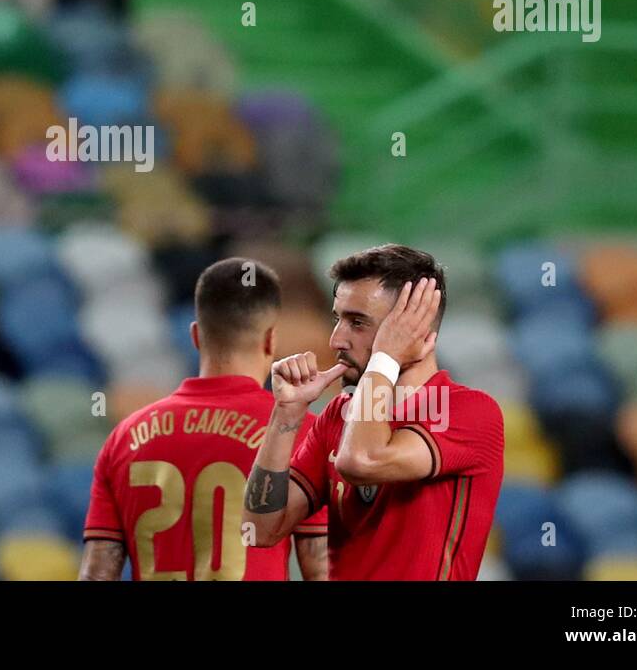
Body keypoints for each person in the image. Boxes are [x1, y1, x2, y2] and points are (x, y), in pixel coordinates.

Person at [242, 244, 504, 580]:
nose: (336, 339)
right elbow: (259, 530)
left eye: (357, 322)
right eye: (338, 318)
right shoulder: (337, 416)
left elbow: (362, 460)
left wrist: (385, 358)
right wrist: (287, 414)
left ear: (414, 330)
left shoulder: (466, 410)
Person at [78, 257, 328, 580]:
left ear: (196, 336)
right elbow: (320, 566)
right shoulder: (300, 431)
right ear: (270, 340)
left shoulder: (124, 436)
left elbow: (97, 573)